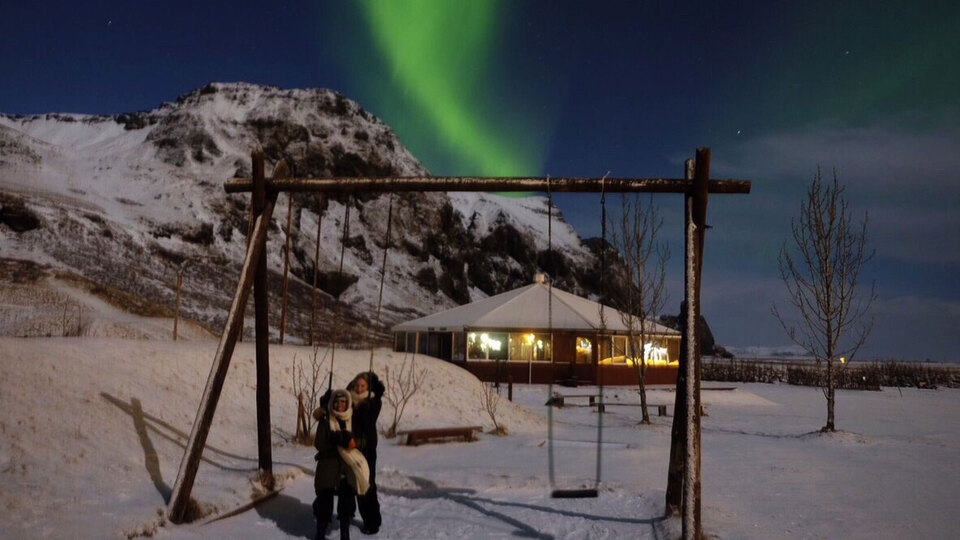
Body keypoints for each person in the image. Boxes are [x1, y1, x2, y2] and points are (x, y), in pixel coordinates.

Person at [314, 389, 370, 540]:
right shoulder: (326, 419)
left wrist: (351, 441)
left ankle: (345, 534)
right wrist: (334, 441)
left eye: (343, 402)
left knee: (347, 495)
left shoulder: (354, 419)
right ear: (332, 403)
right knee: (324, 496)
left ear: (348, 403)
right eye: (337, 402)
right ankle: (320, 533)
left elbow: (363, 441)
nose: (340, 405)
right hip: (329, 463)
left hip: (348, 463)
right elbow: (319, 444)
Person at [347, 372, 385, 534]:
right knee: (356, 485)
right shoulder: (350, 401)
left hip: (368, 448)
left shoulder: (374, 401)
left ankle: (372, 521)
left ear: (368, 387)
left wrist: (363, 406)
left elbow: (368, 424)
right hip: (353, 448)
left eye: (363, 386)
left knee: (368, 485)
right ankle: (356, 515)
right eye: (357, 386)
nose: (359, 388)